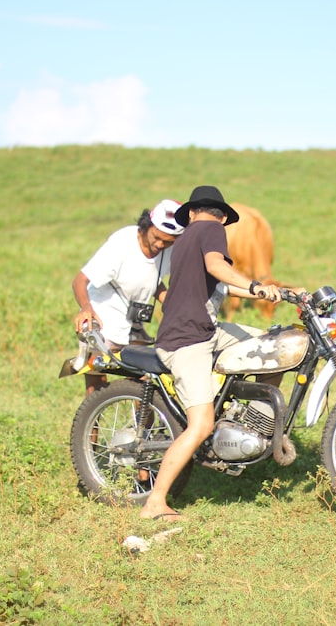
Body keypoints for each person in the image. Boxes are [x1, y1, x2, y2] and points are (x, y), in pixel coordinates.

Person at [139, 186, 283, 521]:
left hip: (205, 330)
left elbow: (221, 283)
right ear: (220, 216)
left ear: (191, 212)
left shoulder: (188, 237)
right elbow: (218, 266)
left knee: (273, 347)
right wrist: (255, 286)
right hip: (186, 340)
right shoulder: (211, 231)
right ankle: (155, 502)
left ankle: (251, 425)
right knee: (201, 425)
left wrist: (276, 291)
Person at [72, 199, 183, 395]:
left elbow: (153, 281)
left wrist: (176, 306)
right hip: (103, 320)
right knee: (96, 388)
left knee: (146, 384)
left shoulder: (169, 249)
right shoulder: (123, 242)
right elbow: (80, 280)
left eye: (167, 242)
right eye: (156, 237)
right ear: (147, 225)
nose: (159, 244)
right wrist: (86, 309)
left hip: (134, 325)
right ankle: (90, 426)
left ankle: (142, 426)